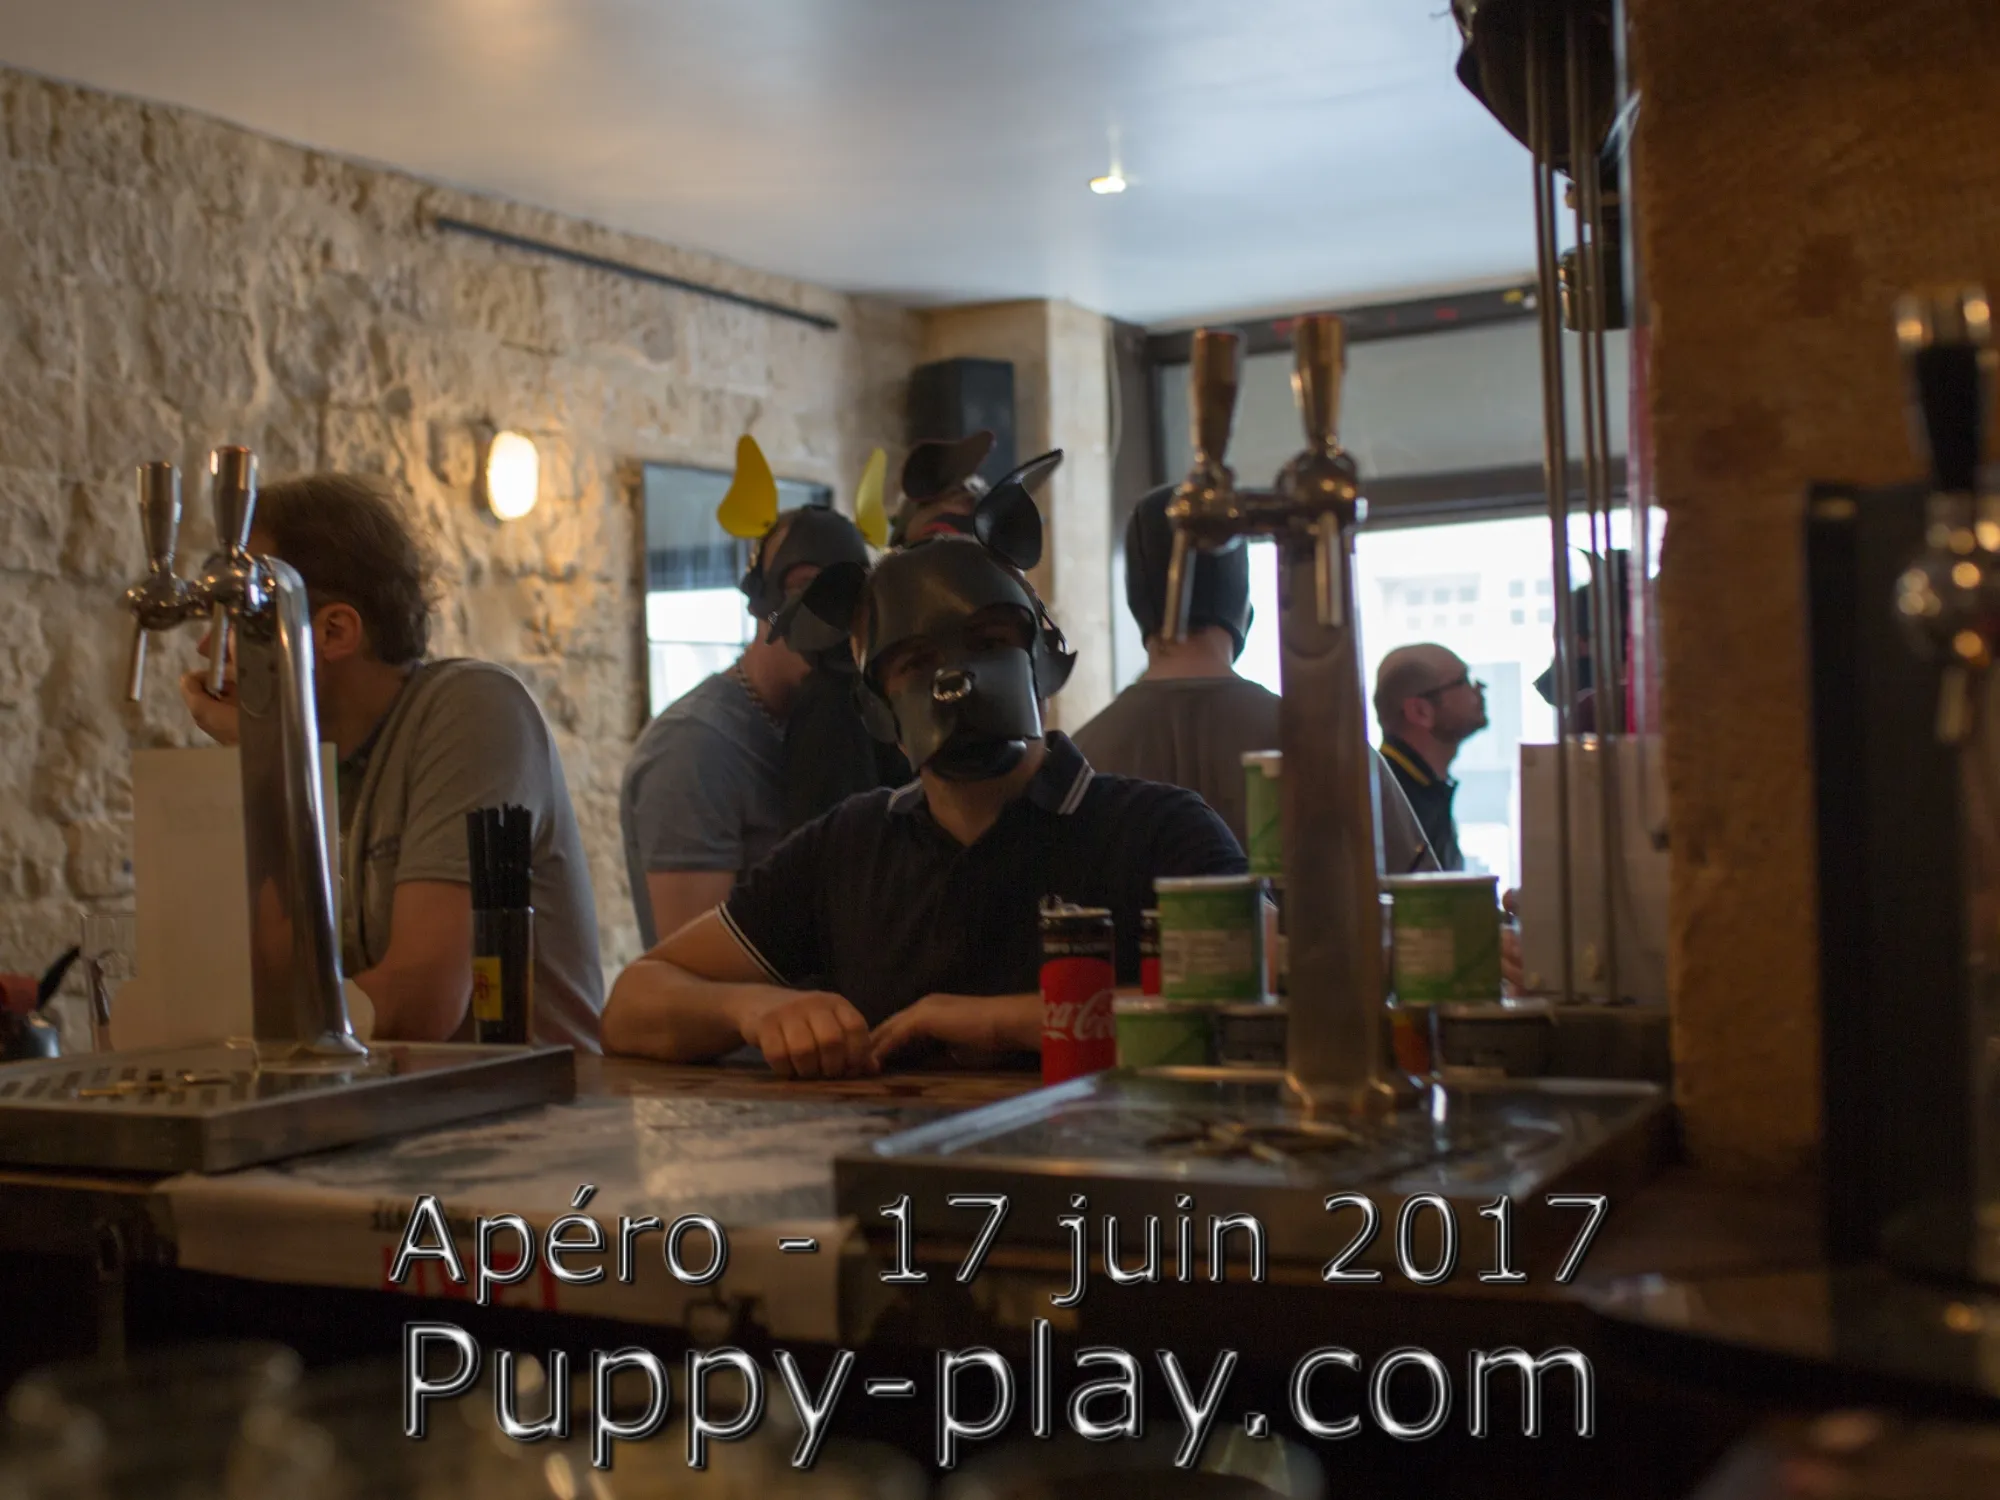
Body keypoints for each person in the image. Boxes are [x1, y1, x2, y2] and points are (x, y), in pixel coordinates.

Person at [602, 531, 1246, 1078]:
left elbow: (1255, 1003)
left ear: (1041, 662)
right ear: (878, 708)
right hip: (891, 1178)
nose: (956, 679)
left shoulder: (1158, 831)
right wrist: (753, 1009)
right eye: (915, 661)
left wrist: (1000, 1021)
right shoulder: (848, 849)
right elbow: (633, 1003)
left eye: (989, 640)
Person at [177, 473, 604, 1051]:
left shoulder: (473, 709)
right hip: (392, 1099)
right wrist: (266, 754)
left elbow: (421, 1003)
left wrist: (268, 755)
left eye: (237, 620)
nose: (208, 648)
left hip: (534, 1104)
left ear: (333, 632)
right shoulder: (308, 761)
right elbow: (275, 977)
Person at [1073, 485, 1437, 873]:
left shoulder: (1079, 763)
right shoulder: (1331, 748)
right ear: (1242, 606)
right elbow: (1424, 898)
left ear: (1137, 604)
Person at [620, 473, 891, 951]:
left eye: (844, 593)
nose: (823, 611)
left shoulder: (842, 723)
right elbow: (695, 963)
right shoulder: (693, 749)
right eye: (804, 586)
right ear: (764, 600)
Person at [1373, 644, 1490, 873]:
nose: (1479, 688)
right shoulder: (1389, 801)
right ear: (1420, 711)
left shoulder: (1419, 788)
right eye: (1463, 680)